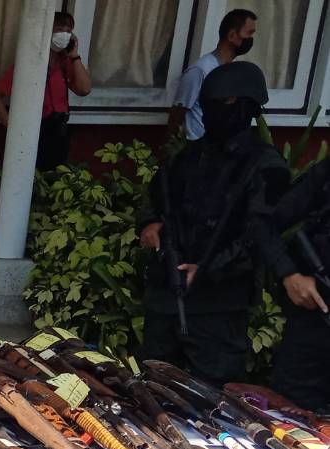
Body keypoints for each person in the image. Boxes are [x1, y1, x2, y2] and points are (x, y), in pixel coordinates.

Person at [137, 62, 291, 385]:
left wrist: (207, 268)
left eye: (225, 103)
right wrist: (149, 224)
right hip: (167, 297)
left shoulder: (264, 164)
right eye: (207, 105)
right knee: (151, 387)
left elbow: (260, 234)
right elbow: (156, 195)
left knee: (212, 398)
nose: (212, 112)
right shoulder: (190, 156)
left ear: (246, 107)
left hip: (219, 305)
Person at [0, 10, 92, 170]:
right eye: (59, 29)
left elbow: (84, 89)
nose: (64, 34)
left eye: (68, 31)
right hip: (34, 132)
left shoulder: (65, 63)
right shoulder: (29, 63)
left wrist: (74, 56)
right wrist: (12, 127)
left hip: (58, 133)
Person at [268, 160, 330, 409]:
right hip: (315, 320)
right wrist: (289, 274)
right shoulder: (325, 174)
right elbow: (264, 223)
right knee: (290, 416)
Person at [170, 9, 258, 142]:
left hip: (219, 150)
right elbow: (177, 113)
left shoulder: (232, 71)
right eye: (249, 33)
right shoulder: (201, 69)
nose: (250, 39)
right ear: (232, 35)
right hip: (197, 148)